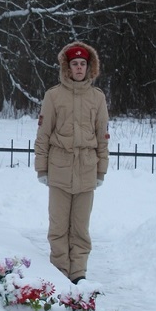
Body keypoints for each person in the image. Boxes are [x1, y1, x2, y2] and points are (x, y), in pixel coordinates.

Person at [35, 41, 109, 284]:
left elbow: (103, 137)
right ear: (67, 68)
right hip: (59, 170)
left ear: (90, 68)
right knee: (58, 228)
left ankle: (78, 274)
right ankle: (58, 273)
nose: (79, 68)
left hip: (86, 170)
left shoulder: (97, 98)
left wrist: (101, 170)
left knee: (80, 229)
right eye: (75, 64)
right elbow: (43, 134)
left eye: (83, 64)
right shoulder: (53, 96)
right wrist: (42, 168)